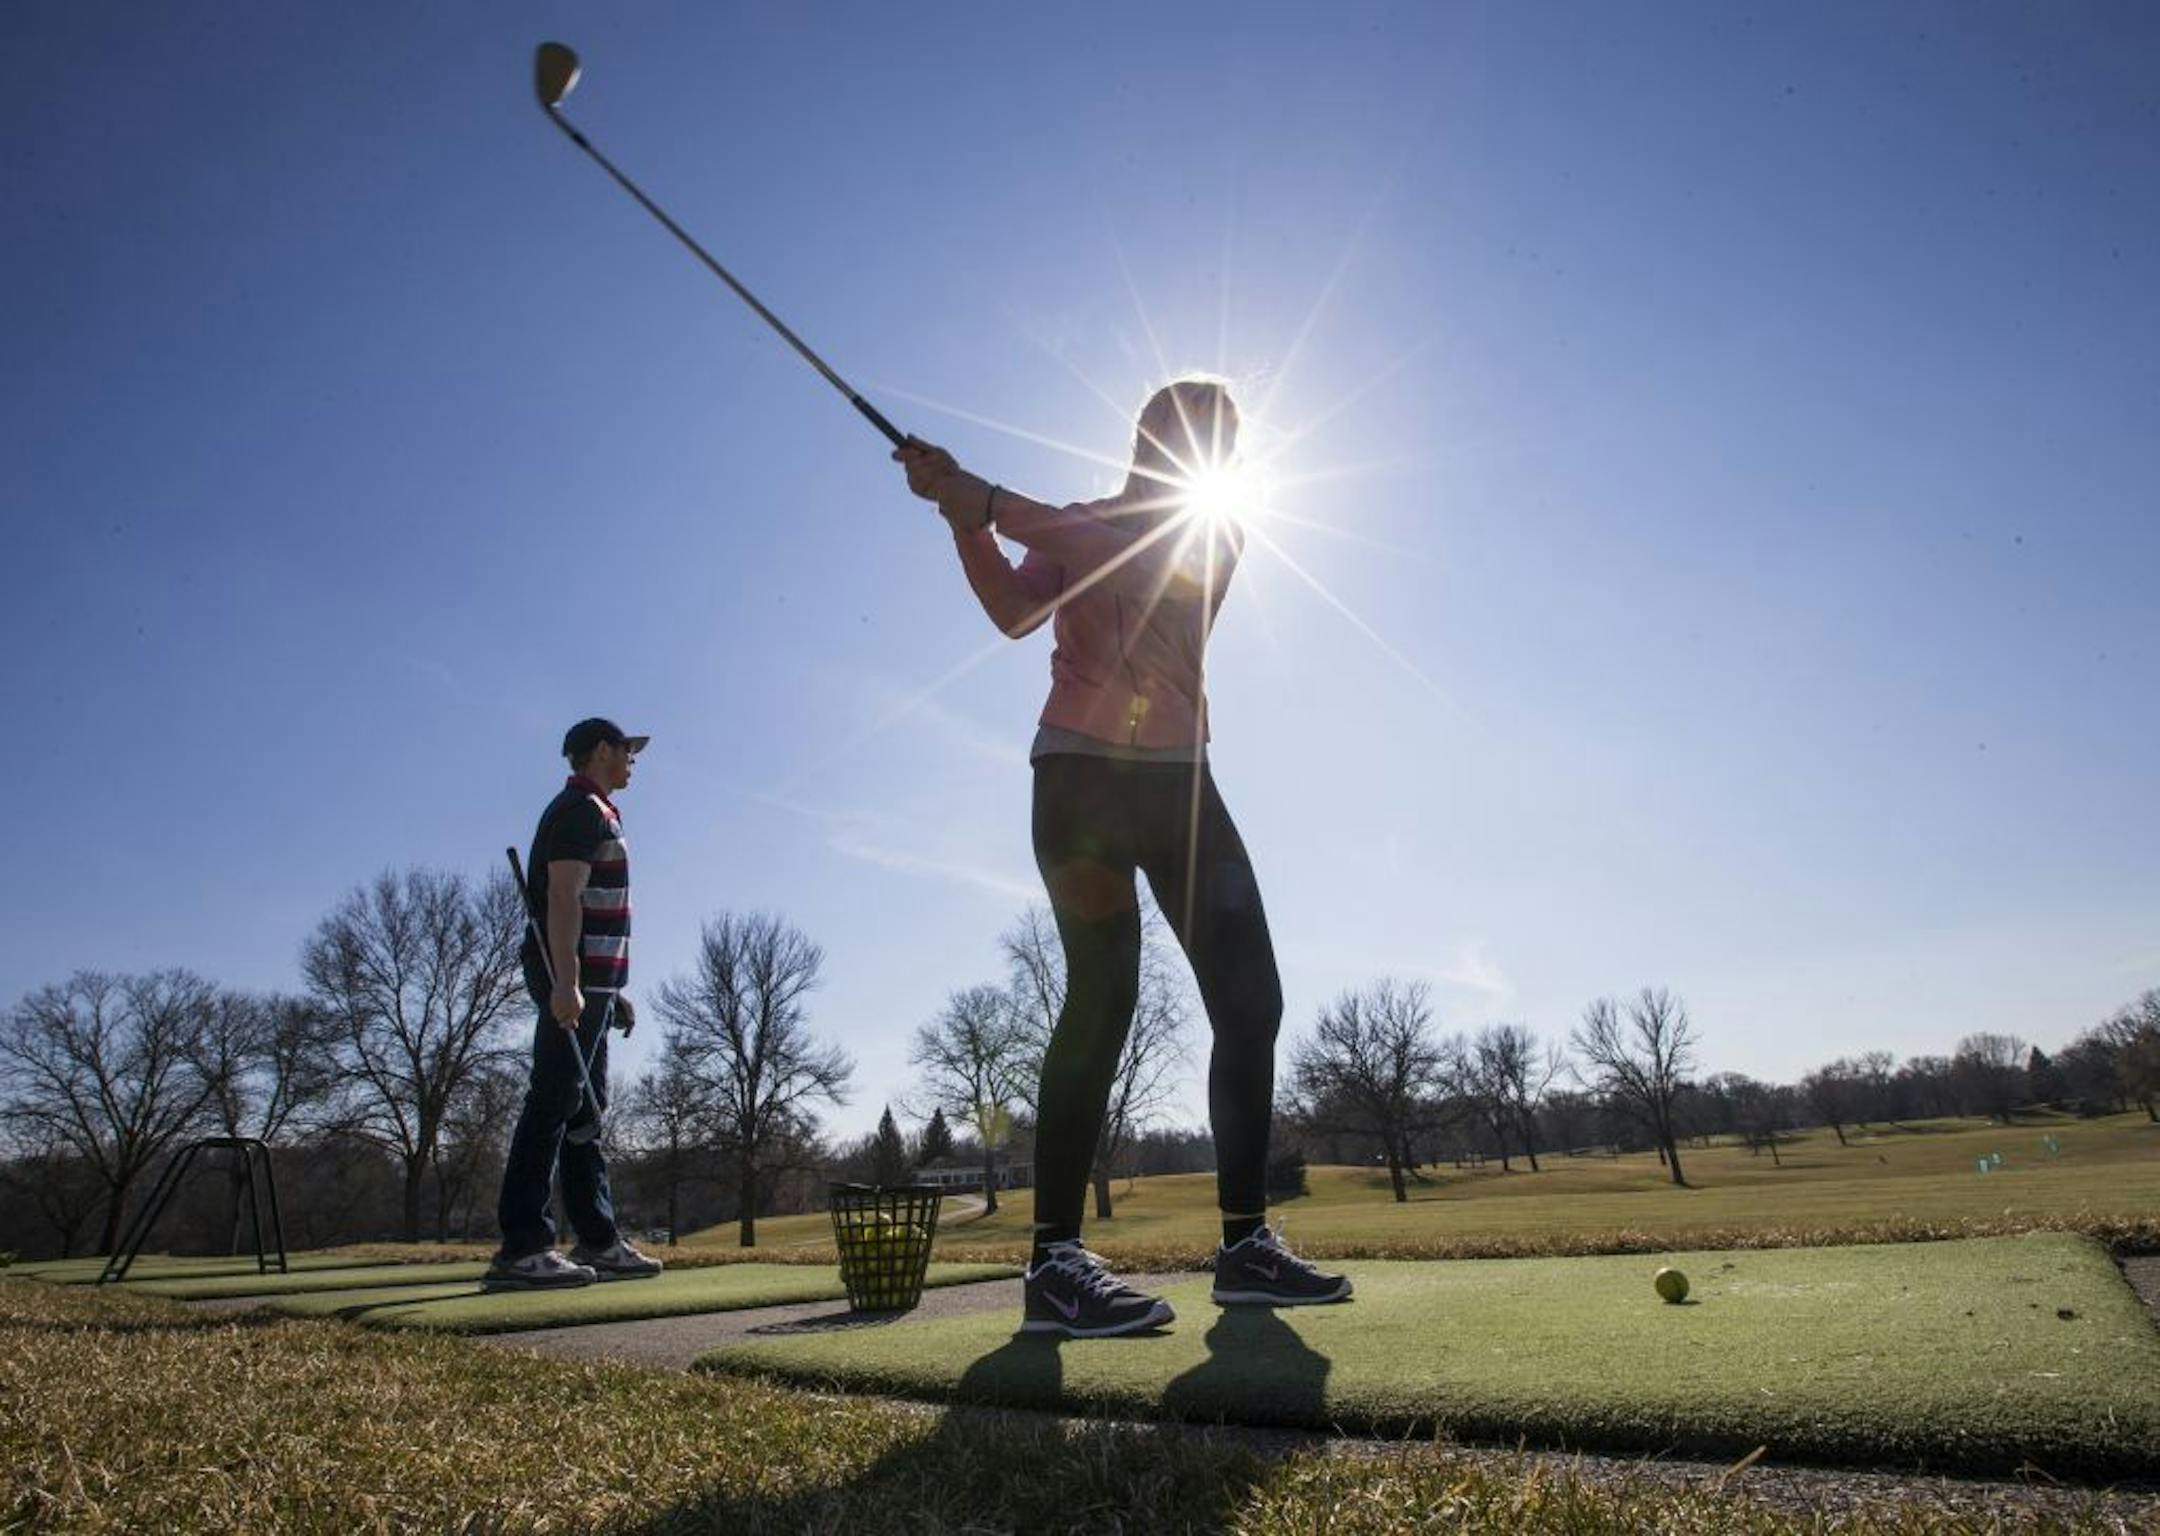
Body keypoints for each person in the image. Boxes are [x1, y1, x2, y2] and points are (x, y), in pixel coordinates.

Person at [897, 378, 1352, 1337]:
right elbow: (1017, 615)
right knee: (1103, 996)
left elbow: (1132, 565)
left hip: (1181, 789)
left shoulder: (1212, 531)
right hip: (1080, 782)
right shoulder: (1074, 521)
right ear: (1148, 439)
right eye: (1190, 434)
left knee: (1251, 1001)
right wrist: (962, 520)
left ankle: (1243, 1247)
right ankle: (1056, 1263)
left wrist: (990, 501)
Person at [485, 717, 665, 1289]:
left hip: (596, 984)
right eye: (627, 752)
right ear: (602, 751)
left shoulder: (601, 812)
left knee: (586, 1110)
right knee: (555, 1099)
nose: (633, 761)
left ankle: (598, 1237)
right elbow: (564, 896)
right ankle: (523, 1245)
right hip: (572, 979)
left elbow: (594, 906)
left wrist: (613, 994)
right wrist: (568, 982)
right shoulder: (578, 811)